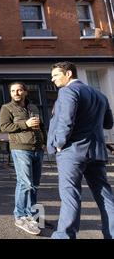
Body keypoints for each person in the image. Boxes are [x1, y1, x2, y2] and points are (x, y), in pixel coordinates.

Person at [48, 61, 114, 239]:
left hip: (72, 151)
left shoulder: (68, 91)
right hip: (97, 152)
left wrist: (59, 143)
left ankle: (64, 235)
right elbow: (108, 123)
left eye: (55, 75)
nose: (52, 79)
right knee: (105, 196)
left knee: (70, 195)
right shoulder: (100, 95)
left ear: (68, 74)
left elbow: (66, 121)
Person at [0, 82, 46, 236]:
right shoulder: (7, 108)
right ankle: (20, 216)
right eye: (13, 90)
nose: (16, 92)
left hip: (37, 149)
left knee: (35, 184)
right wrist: (24, 123)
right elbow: (4, 127)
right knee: (25, 183)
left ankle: (33, 216)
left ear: (25, 91)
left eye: (19, 90)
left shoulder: (33, 107)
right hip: (20, 148)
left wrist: (44, 142)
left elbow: (41, 125)